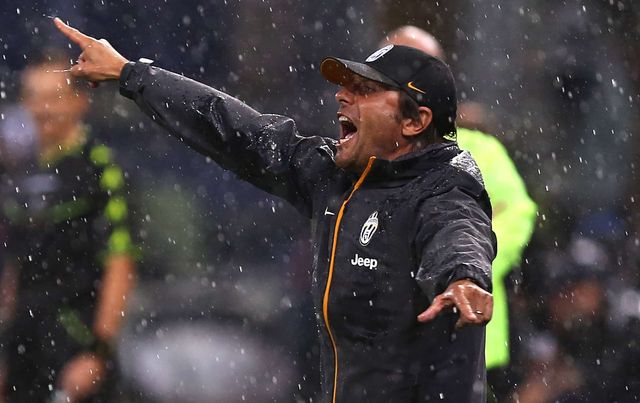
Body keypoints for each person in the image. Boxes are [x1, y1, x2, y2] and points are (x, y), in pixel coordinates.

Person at [53, 18, 495, 402]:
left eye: (365, 90)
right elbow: (230, 126)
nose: (342, 96)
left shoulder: (445, 187)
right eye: (347, 85)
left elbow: (459, 231)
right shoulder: (332, 175)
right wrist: (131, 74)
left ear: (415, 121)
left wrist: (463, 276)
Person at [382, 25, 537, 398]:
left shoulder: (478, 151)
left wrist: (462, 270)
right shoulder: (363, 152)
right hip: (383, 346)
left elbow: (517, 214)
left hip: (468, 336)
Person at [0, 50, 137, 403]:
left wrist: (98, 352)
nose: (43, 109)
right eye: (33, 98)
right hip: (24, 346)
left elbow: (120, 262)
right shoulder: (20, 173)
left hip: (75, 341)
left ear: (80, 101)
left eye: (53, 97)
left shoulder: (102, 168)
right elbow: (15, 269)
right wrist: (2, 362)